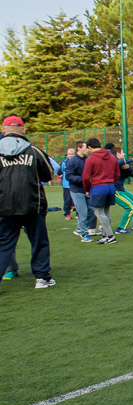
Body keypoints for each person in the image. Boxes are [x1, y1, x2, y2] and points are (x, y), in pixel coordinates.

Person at [0, 116, 56, 289]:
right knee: (39, 241)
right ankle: (41, 278)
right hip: (33, 204)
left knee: (3, 244)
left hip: (4, 206)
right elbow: (48, 174)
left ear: (3, 130)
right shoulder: (33, 150)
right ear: (23, 130)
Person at [82, 138, 119, 245]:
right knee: (106, 211)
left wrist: (87, 189)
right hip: (110, 187)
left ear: (89, 147)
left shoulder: (91, 159)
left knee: (98, 212)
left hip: (98, 188)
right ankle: (105, 235)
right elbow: (117, 174)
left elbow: (85, 177)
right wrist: (111, 182)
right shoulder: (112, 157)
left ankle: (110, 235)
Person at [64, 140, 97, 243]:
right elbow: (69, 176)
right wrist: (83, 180)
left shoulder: (87, 160)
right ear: (79, 148)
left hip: (86, 190)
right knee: (82, 213)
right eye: (85, 147)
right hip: (77, 190)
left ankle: (79, 229)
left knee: (92, 210)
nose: (87, 149)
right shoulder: (73, 161)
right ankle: (84, 235)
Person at [111, 146, 133, 233]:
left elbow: (132, 174)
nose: (124, 154)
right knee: (131, 207)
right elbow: (117, 163)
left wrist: (128, 168)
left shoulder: (122, 163)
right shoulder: (113, 161)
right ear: (118, 154)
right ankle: (121, 228)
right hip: (115, 191)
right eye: (123, 152)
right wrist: (132, 159)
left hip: (122, 189)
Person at [58, 147, 75, 220]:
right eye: (69, 154)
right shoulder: (64, 163)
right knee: (67, 200)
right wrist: (63, 180)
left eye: (72, 154)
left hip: (76, 184)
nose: (70, 155)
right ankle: (67, 214)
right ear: (67, 155)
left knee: (77, 200)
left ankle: (78, 213)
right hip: (66, 185)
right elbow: (59, 173)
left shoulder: (77, 162)